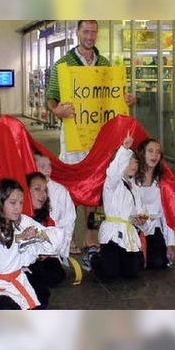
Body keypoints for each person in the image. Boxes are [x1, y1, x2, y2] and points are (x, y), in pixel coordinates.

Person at [46, 20, 135, 248]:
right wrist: (56, 110)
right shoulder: (63, 65)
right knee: (71, 186)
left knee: (95, 185)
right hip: (74, 136)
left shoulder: (106, 65)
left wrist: (125, 100)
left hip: (99, 138)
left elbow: (115, 97)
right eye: (85, 31)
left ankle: (89, 235)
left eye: (93, 32)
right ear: (77, 33)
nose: (89, 36)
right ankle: (68, 236)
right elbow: (51, 97)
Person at [0, 179, 65, 310]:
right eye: (13, 202)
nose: (18, 207)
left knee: (42, 300)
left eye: (21, 203)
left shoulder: (22, 222)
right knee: (7, 308)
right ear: (0, 201)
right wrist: (21, 237)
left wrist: (37, 235)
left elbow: (55, 237)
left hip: (17, 281)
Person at [84, 133, 146, 279]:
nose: (133, 165)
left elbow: (141, 209)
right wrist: (124, 149)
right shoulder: (112, 183)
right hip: (112, 234)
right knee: (109, 273)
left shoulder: (135, 187)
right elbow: (114, 172)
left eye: (135, 162)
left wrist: (141, 218)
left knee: (132, 272)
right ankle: (92, 255)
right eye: (129, 161)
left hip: (129, 231)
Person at [135, 138, 175, 269]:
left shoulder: (162, 182)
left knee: (158, 263)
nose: (154, 155)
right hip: (134, 227)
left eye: (158, 152)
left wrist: (170, 245)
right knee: (137, 264)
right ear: (143, 154)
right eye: (150, 151)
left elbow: (167, 215)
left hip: (154, 228)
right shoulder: (132, 179)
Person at [26, 172, 66, 291]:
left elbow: (54, 240)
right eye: (37, 189)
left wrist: (47, 252)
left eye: (45, 190)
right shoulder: (18, 216)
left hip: (42, 259)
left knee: (55, 273)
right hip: (23, 262)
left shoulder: (46, 216)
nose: (43, 194)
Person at [34, 152, 79, 254]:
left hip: (54, 247)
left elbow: (68, 221)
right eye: (42, 166)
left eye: (49, 166)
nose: (47, 170)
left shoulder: (60, 191)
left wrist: (58, 247)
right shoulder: (24, 189)